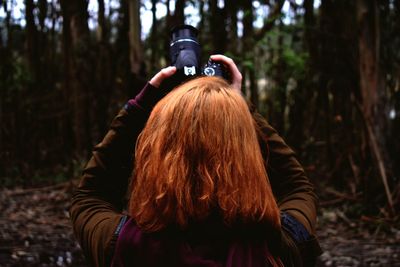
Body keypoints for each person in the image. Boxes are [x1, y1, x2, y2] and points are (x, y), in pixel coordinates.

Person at [70, 55, 322, 267]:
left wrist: (139, 107)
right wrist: (241, 109)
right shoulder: (276, 248)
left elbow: (91, 197)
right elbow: (296, 187)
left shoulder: (123, 245)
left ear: (154, 153)